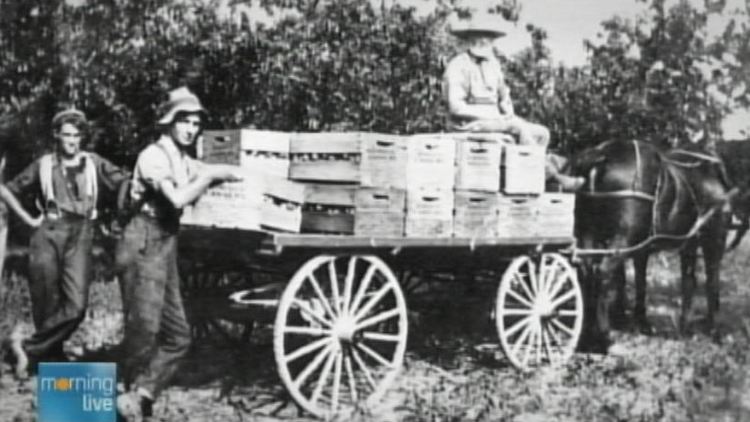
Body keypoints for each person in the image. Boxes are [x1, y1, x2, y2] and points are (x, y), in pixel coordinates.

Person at [115, 87, 241, 421]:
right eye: (184, 121)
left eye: (196, 123)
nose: (191, 128)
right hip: (142, 239)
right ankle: (127, 399)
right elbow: (178, 199)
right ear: (169, 122)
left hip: (165, 242)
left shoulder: (184, 158)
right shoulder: (154, 156)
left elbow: (206, 172)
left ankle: (141, 392)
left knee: (178, 335)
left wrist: (240, 173)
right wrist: (212, 175)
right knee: (144, 328)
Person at [2, 108, 130, 377]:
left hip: (82, 232)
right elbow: (6, 189)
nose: (72, 141)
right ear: (57, 136)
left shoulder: (94, 162)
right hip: (48, 231)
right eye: (67, 135)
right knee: (46, 300)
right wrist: (28, 218)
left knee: (76, 306)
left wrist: (118, 219)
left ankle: (27, 347)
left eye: (77, 135)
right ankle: (47, 360)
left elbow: (125, 182)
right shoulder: (44, 164)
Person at [443, 14, 584, 191]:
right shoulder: (457, 66)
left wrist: (506, 107)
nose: (485, 41)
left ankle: (529, 178)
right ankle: (553, 176)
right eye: (480, 36)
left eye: (489, 37)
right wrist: (490, 115)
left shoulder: (492, 64)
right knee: (518, 129)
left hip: (496, 118)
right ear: (470, 39)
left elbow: (503, 92)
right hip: (468, 122)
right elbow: (456, 106)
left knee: (542, 133)